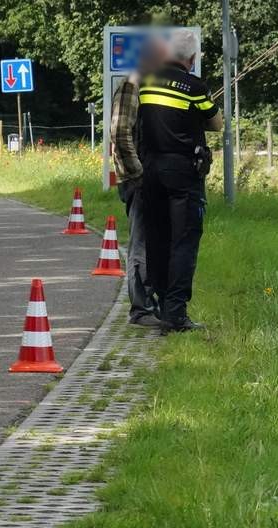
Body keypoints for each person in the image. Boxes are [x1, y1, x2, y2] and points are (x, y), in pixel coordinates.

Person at [137, 27, 223, 333]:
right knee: (184, 241)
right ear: (192, 57)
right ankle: (176, 313)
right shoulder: (194, 86)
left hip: (151, 171)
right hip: (183, 172)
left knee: (158, 239)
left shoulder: (147, 81)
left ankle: (160, 304)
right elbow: (216, 122)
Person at [108, 38, 166, 327]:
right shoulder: (132, 85)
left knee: (152, 242)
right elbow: (119, 134)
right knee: (140, 245)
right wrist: (138, 174)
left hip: (148, 178)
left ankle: (151, 303)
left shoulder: (147, 87)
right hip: (137, 179)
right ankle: (140, 309)